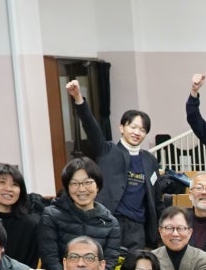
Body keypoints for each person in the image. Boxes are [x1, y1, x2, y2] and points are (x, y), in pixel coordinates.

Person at [67, 80, 163, 249]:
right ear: (121, 128)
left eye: (142, 130)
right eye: (133, 127)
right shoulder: (107, 150)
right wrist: (78, 98)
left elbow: (155, 198)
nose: (137, 132)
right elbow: (90, 126)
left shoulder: (150, 160)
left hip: (137, 227)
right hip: (108, 222)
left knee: (133, 264)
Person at [38, 156, 124, 270]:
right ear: (67, 187)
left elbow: (109, 262)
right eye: (74, 183)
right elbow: (50, 259)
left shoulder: (110, 222)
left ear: (97, 186)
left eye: (87, 182)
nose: (81, 189)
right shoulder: (51, 216)